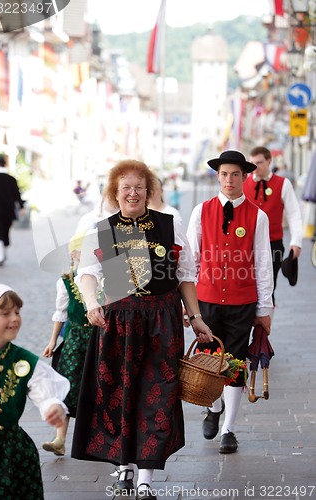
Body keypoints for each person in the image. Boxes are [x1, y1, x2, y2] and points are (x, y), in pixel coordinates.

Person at [71, 159, 213, 500]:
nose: (133, 193)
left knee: (158, 394)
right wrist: (92, 303)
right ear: (115, 194)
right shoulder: (103, 228)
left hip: (162, 320)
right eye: (125, 188)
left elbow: (185, 276)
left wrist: (196, 318)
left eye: (139, 187)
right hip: (118, 321)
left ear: (148, 192)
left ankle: (146, 477)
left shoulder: (170, 224)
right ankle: (123, 468)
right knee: (119, 394)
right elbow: (87, 273)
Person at [186, 150, 273, 454]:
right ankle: (213, 407)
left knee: (234, 362)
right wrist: (189, 307)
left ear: (244, 177)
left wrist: (264, 310)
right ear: (217, 176)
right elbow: (190, 260)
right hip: (206, 300)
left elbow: (264, 264)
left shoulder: (257, 216)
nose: (229, 180)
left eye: (235, 174)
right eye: (224, 174)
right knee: (209, 360)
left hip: (241, 301)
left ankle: (229, 429)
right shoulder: (201, 211)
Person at [0, 283, 70, 499]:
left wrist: (52, 406)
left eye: (17, 312)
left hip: (12, 451)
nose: (14, 318)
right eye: (5, 313)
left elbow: (43, 389)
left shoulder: (24, 360)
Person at [42, 233, 93, 456]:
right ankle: (60, 439)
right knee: (67, 385)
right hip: (74, 340)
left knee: (98, 384)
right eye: (75, 253)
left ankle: (99, 438)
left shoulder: (100, 277)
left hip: (97, 338)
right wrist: (53, 341)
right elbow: (60, 313)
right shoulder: (66, 280)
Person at [244, 147, 302, 303]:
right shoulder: (243, 184)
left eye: (259, 163)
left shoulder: (283, 184)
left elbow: (294, 213)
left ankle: (265, 325)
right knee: (246, 286)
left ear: (269, 161)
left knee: (268, 288)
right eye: (252, 163)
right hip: (245, 245)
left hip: (273, 244)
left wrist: (296, 241)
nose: (255, 167)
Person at [0, 154, 25, 267]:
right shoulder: (11, 179)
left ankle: (0, 255)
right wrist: (21, 207)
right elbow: (17, 195)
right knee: (5, 231)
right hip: (8, 210)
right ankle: (2, 254)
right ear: (5, 164)